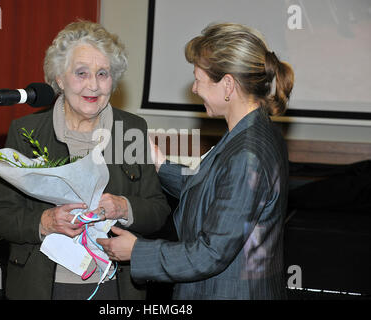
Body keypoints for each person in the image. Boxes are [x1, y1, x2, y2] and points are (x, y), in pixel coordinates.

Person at [97, 23, 294, 299]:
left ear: (227, 84)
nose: (194, 88)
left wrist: (137, 251)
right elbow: (216, 190)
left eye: (198, 79)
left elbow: (210, 254)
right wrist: (160, 164)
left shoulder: (248, 153)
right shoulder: (254, 132)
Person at [0, 21, 170, 300]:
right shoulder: (26, 132)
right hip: (41, 287)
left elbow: (158, 211)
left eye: (103, 74)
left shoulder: (131, 129)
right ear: (59, 79)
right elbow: (0, 216)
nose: (94, 85)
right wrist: (44, 221)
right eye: (81, 73)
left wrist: (124, 207)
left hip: (115, 287)